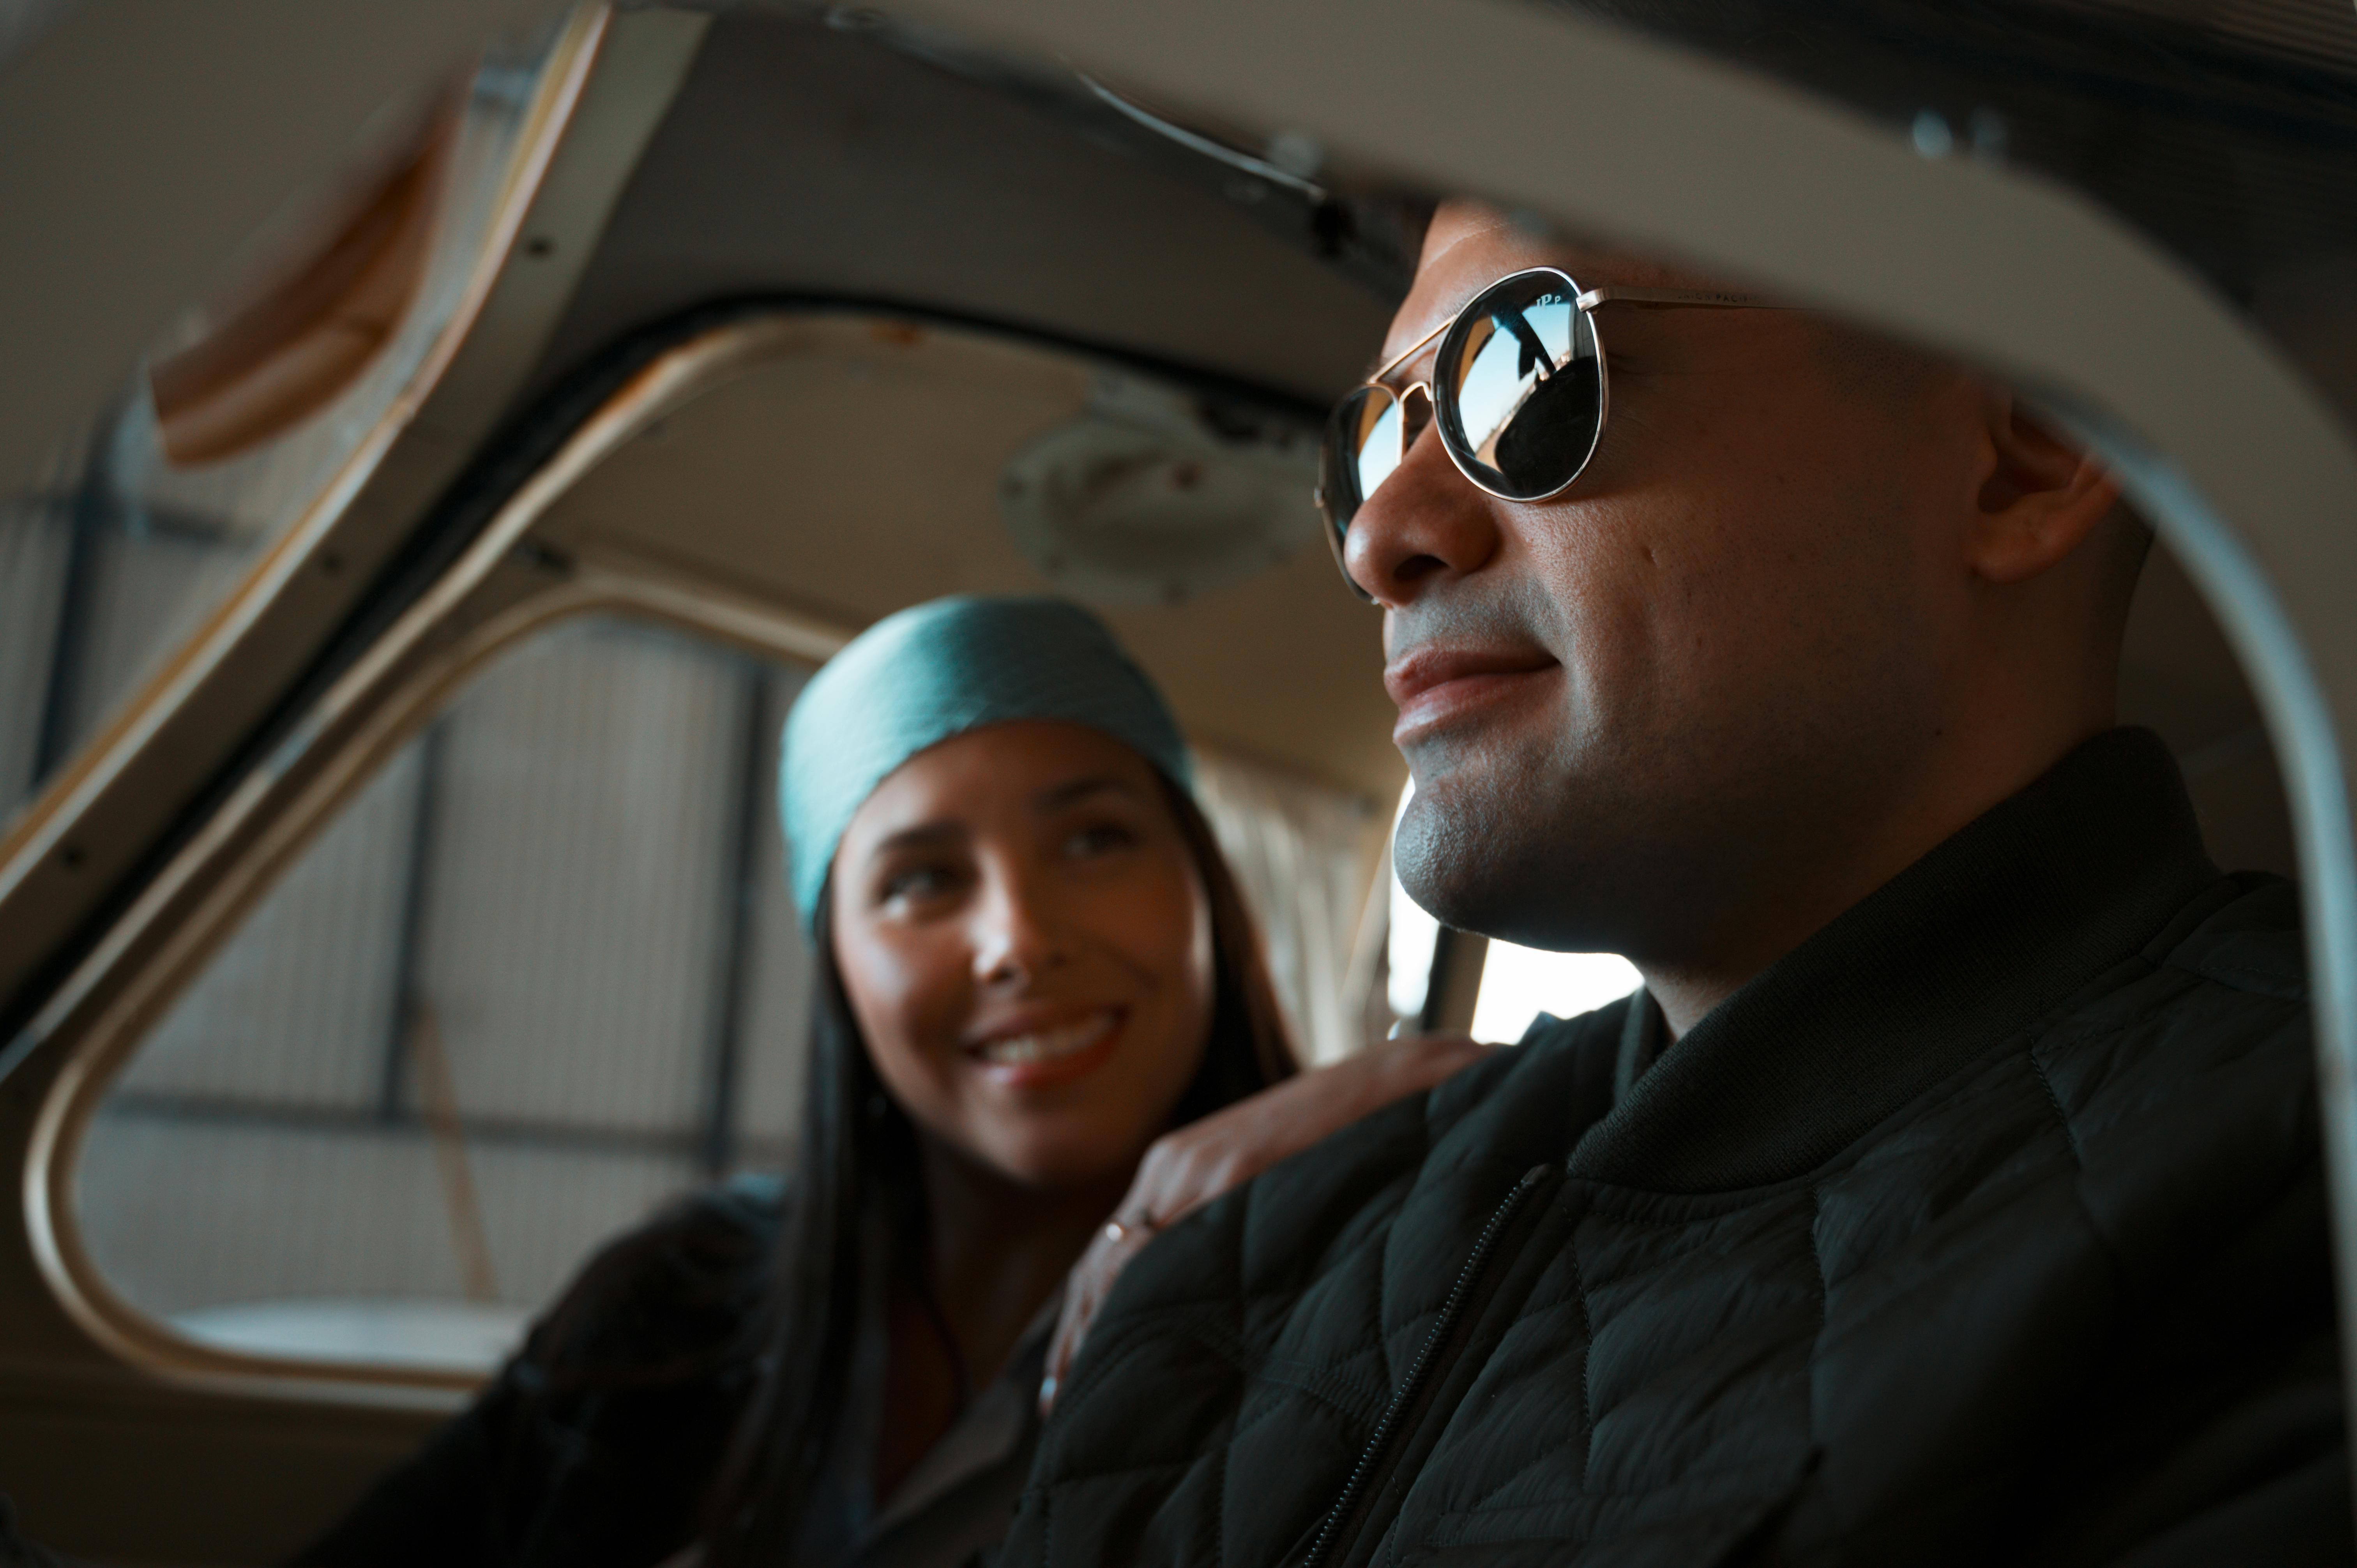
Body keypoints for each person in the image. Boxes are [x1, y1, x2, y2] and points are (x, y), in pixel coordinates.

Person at [997, 203, 2352, 1564]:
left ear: (2023, 457)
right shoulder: (1278, 1223)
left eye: (1523, 368)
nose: (1379, 539)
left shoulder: (2299, 1205)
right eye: (1372, 443)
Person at [289, 595, 1475, 1568]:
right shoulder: (675, 1303)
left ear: (1204, 890)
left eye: (1095, 840)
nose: (1018, 940)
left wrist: (1449, 1093)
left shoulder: (1377, 1299)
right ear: (841, 969)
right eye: (921, 881)